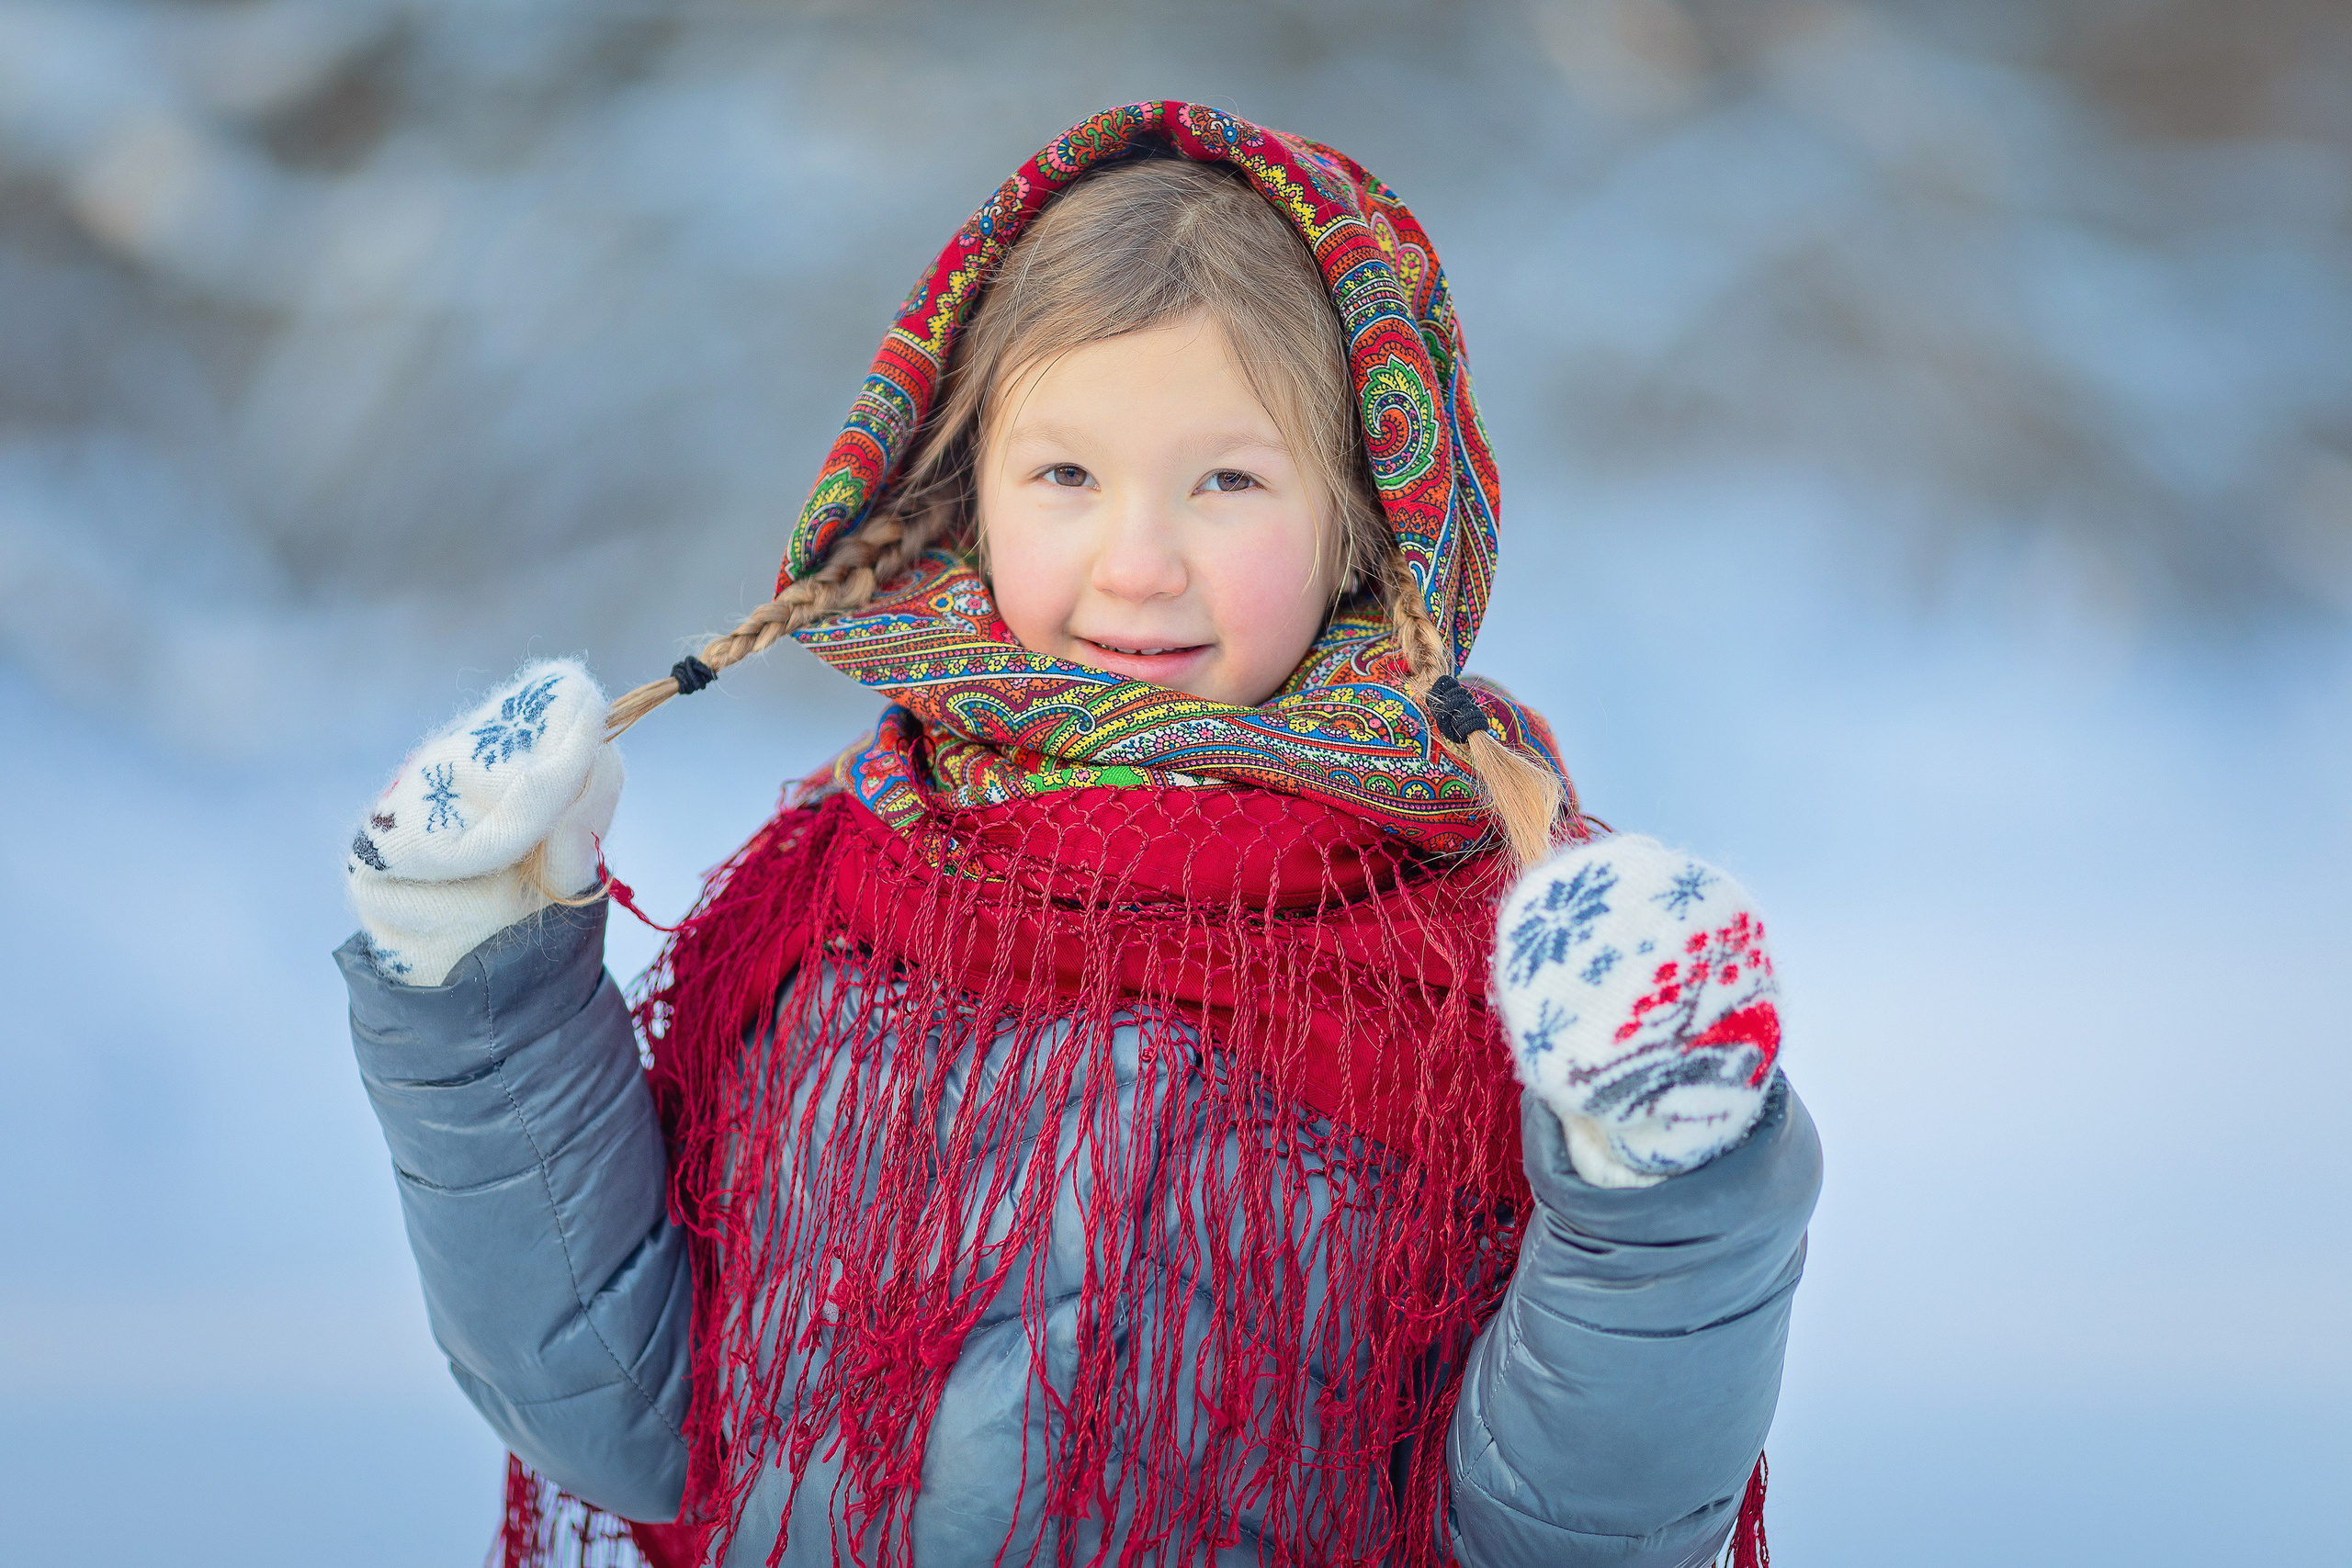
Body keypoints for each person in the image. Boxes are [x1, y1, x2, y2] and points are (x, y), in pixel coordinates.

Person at [335, 103, 1821, 1568]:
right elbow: (625, 1422)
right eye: (1066, 475)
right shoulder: (837, 897)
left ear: (1365, 522)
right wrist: (485, 987)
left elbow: (1569, 1539)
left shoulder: (1490, 959)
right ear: (955, 489)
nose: (1139, 560)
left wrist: (1655, 1184)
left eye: (1227, 480)